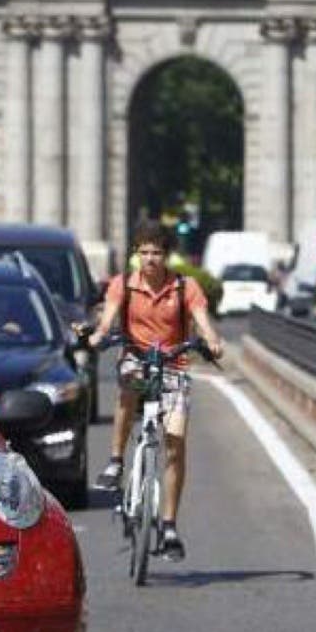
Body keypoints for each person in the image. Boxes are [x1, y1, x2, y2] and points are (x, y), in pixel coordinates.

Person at [87, 220, 224, 561]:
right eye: (144, 252)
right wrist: (99, 334)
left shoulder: (184, 287)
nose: (150, 260)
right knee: (129, 383)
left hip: (173, 365)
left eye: (157, 253)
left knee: (175, 442)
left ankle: (169, 524)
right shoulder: (123, 285)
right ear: (136, 254)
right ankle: (117, 461)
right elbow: (109, 318)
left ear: (167, 256)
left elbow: (202, 319)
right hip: (137, 359)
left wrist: (212, 340)